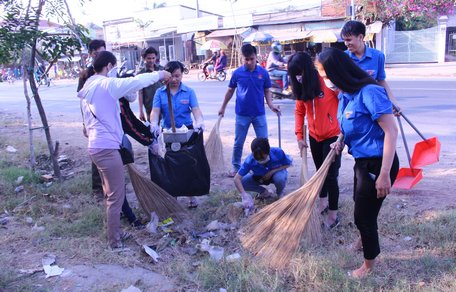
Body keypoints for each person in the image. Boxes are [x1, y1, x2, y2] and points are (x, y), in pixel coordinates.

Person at [315, 48, 399, 278]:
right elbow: (350, 125)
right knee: (361, 205)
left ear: (338, 72)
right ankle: (364, 240)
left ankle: (368, 266)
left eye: (325, 75)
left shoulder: (370, 92)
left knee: (363, 216)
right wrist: (340, 141)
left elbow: (391, 132)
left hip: (379, 163)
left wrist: (384, 174)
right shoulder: (345, 95)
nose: (325, 81)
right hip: (362, 162)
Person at [78, 51, 170, 248]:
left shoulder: (89, 85)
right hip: (106, 148)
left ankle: (116, 233)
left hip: (96, 146)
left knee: (110, 193)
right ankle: (114, 242)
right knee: (115, 197)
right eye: (114, 67)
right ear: (109, 66)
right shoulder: (106, 85)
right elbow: (136, 82)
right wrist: (161, 75)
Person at [287, 52, 342, 229]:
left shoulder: (327, 82)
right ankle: (323, 202)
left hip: (333, 136)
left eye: (300, 73)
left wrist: (343, 135)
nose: (298, 77)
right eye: (295, 74)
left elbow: (345, 103)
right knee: (320, 172)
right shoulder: (301, 87)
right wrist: (299, 136)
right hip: (314, 136)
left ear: (308, 70)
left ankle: (334, 215)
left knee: (331, 175)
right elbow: (299, 111)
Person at [218, 43, 280, 177]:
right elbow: (230, 91)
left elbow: (267, 90)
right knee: (238, 142)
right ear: (242, 58)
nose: (249, 62)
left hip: (259, 114)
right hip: (242, 114)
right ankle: (236, 167)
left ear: (255, 57)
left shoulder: (263, 73)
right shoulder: (237, 73)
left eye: (251, 59)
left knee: (263, 141)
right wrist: (222, 107)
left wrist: (271, 105)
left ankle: (266, 166)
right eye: (246, 59)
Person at [150, 60, 205, 208]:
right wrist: (154, 124)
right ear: (166, 76)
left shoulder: (189, 92)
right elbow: (155, 112)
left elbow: (196, 110)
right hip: (167, 132)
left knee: (188, 163)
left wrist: (199, 121)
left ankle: (191, 196)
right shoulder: (160, 93)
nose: (175, 79)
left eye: (178, 76)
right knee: (170, 164)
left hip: (185, 131)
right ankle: (172, 195)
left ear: (181, 75)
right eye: (172, 76)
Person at [340, 20, 400, 110]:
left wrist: (393, 102)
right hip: (350, 106)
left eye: (349, 40)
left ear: (360, 37)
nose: (346, 44)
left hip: (371, 105)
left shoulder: (378, 56)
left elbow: (381, 81)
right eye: (344, 40)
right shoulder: (343, 57)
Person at [234, 137, 292, 210]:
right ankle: (263, 192)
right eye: (257, 158)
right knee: (242, 182)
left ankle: (280, 192)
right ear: (252, 153)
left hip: (276, 174)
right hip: (259, 177)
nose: (260, 160)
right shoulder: (249, 160)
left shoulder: (278, 152)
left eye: (263, 158)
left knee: (279, 178)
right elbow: (236, 179)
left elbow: (288, 164)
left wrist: (271, 172)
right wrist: (244, 195)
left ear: (268, 151)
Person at [137, 47, 163, 121]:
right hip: (150, 108)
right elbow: (140, 93)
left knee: (166, 130)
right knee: (153, 130)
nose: (151, 60)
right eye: (149, 58)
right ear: (144, 58)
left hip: (164, 106)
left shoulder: (162, 70)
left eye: (153, 58)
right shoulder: (141, 74)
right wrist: (141, 111)